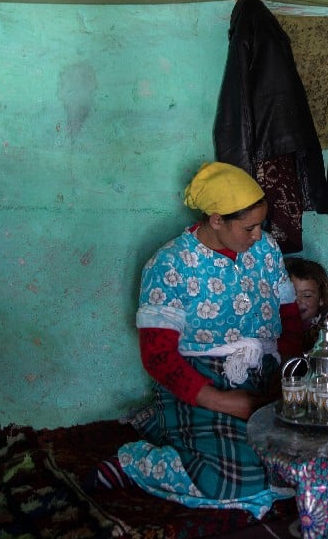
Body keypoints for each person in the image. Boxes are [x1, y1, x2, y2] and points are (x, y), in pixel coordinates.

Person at [88, 162, 302, 518]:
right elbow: (159, 358)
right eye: (248, 227)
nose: (257, 235)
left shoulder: (266, 250)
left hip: (267, 376)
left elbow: (290, 321)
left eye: (260, 225)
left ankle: (165, 427)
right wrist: (224, 401)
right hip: (200, 381)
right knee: (238, 478)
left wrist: (286, 379)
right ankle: (137, 463)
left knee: (299, 470)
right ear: (216, 219)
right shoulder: (170, 263)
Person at [284, 256, 328, 352]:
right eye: (291, 294)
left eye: (307, 295)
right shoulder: (277, 326)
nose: (297, 301)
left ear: (321, 298)